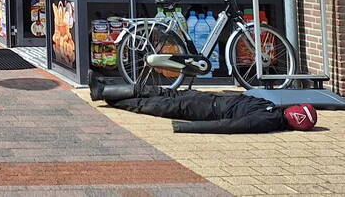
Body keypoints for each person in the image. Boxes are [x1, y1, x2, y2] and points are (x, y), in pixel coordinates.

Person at [89, 73, 318, 133]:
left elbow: (229, 127)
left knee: (152, 104)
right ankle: (104, 89)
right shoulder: (272, 111)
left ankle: (105, 94)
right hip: (207, 100)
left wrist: (186, 127)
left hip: (203, 110)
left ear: (294, 116)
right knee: (157, 93)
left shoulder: (267, 120)